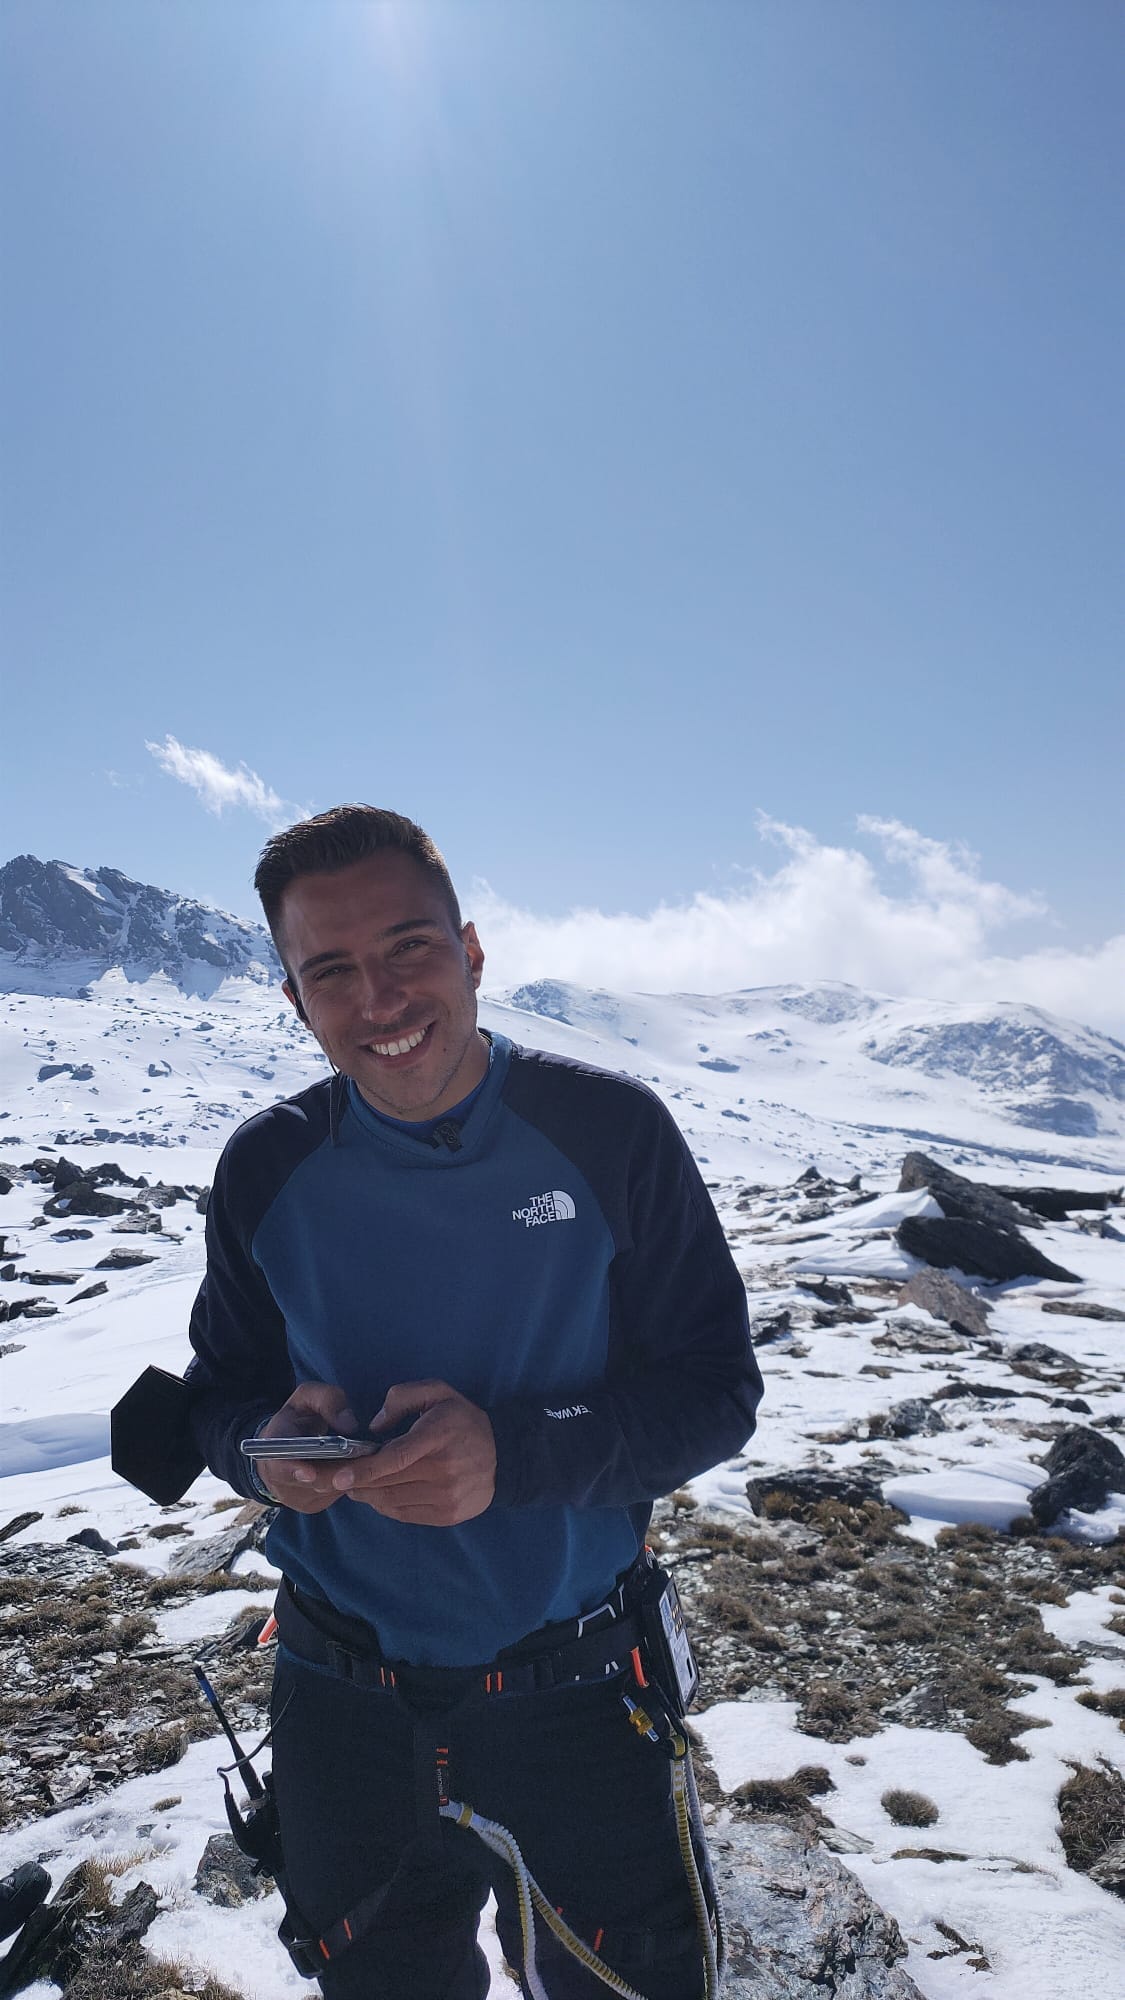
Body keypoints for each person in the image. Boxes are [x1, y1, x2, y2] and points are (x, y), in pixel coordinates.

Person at [185, 804, 763, 2000]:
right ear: (296, 998)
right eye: (330, 969)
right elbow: (215, 1395)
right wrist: (264, 1452)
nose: (381, 999)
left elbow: (716, 1390)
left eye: (409, 946)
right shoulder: (265, 1168)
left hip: (581, 1698)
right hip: (340, 1704)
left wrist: (514, 1451)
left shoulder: (610, 1134)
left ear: (473, 950)